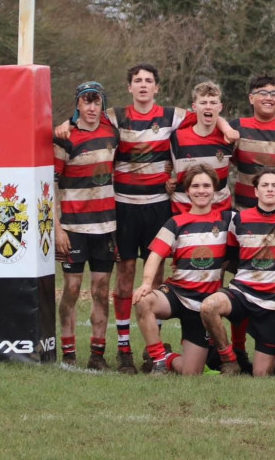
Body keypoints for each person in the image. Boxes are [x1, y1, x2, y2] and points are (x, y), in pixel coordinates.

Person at [55, 64, 235, 374]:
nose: (142, 85)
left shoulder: (173, 115)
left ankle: (157, 350)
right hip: (123, 207)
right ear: (129, 87)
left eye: (148, 81)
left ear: (156, 87)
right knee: (125, 276)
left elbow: (208, 112)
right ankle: (124, 349)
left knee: (159, 278)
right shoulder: (115, 115)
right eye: (137, 80)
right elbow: (86, 118)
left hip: (158, 206)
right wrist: (67, 121)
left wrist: (228, 128)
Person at [199, 167, 275, 377]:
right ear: (255, 191)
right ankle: (230, 361)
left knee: (261, 375)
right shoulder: (238, 220)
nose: (269, 189)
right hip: (243, 293)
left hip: (274, 301)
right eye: (264, 185)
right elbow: (227, 255)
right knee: (209, 306)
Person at [133, 164, 234, 375]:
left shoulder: (228, 220)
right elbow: (155, 255)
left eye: (206, 185)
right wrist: (146, 283)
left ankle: (168, 357)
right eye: (195, 186)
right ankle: (158, 360)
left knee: (191, 373)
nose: (201, 191)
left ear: (214, 190)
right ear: (187, 191)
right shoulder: (175, 222)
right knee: (143, 301)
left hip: (204, 305)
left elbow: (260, 218)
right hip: (176, 294)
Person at [53, 82, 120, 369]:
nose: (92, 107)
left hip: (106, 226)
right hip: (74, 228)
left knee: (102, 290)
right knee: (71, 287)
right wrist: (57, 228)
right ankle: (68, 354)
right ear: (78, 104)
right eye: (87, 101)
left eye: (97, 102)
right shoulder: (64, 137)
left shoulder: (111, 132)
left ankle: (97, 355)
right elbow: (50, 186)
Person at [230, 74, 275, 209]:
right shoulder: (236, 127)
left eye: (274, 94)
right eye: (263, 93)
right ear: (251, 98)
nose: (269, 98)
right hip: (244, 212)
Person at [168, 81, 233, 215]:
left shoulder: (229, 137)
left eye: (213, 103)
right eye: (203, 103)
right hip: (183, 211)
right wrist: (166, 181)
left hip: (220, 212)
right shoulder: (177, 137)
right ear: (194, 107)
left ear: (220, 107)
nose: (208, 107)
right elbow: (162, 164)